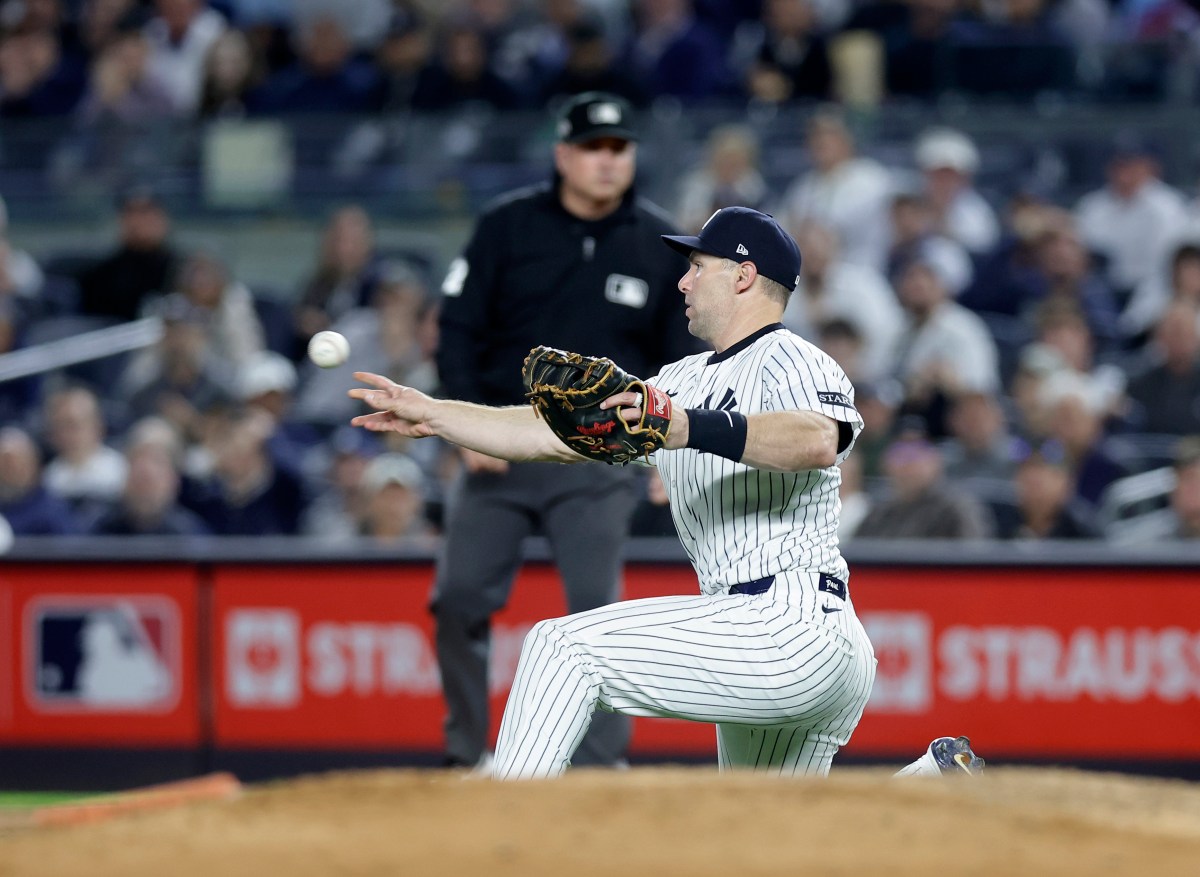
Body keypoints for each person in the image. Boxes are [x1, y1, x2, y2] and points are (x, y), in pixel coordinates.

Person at [350, 205, 981, 780]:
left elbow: (817, 439)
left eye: (697, 267)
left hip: (787, 623)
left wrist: (685, 427)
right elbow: (546, 434)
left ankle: (503, 837)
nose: (681, 282)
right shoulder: (680, 379)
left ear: (743, 276)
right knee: (761, 842)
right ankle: (932, 783)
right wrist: (437, 414)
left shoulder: (792, 357)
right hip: (782, 638)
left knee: (561, 649)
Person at [430, 91, 700, 771]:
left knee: (596, 615)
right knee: (458, 599)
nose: (607, 161)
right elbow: (458, 330)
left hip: (600, 457)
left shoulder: (659, 243)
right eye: (591, 148)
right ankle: (465, 755)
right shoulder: (506, 227)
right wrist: (468, 428)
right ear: (561, 155)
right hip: (502, 446)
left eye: (618, 148)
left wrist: (671, 452)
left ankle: (600, 769)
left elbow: (680, 362)